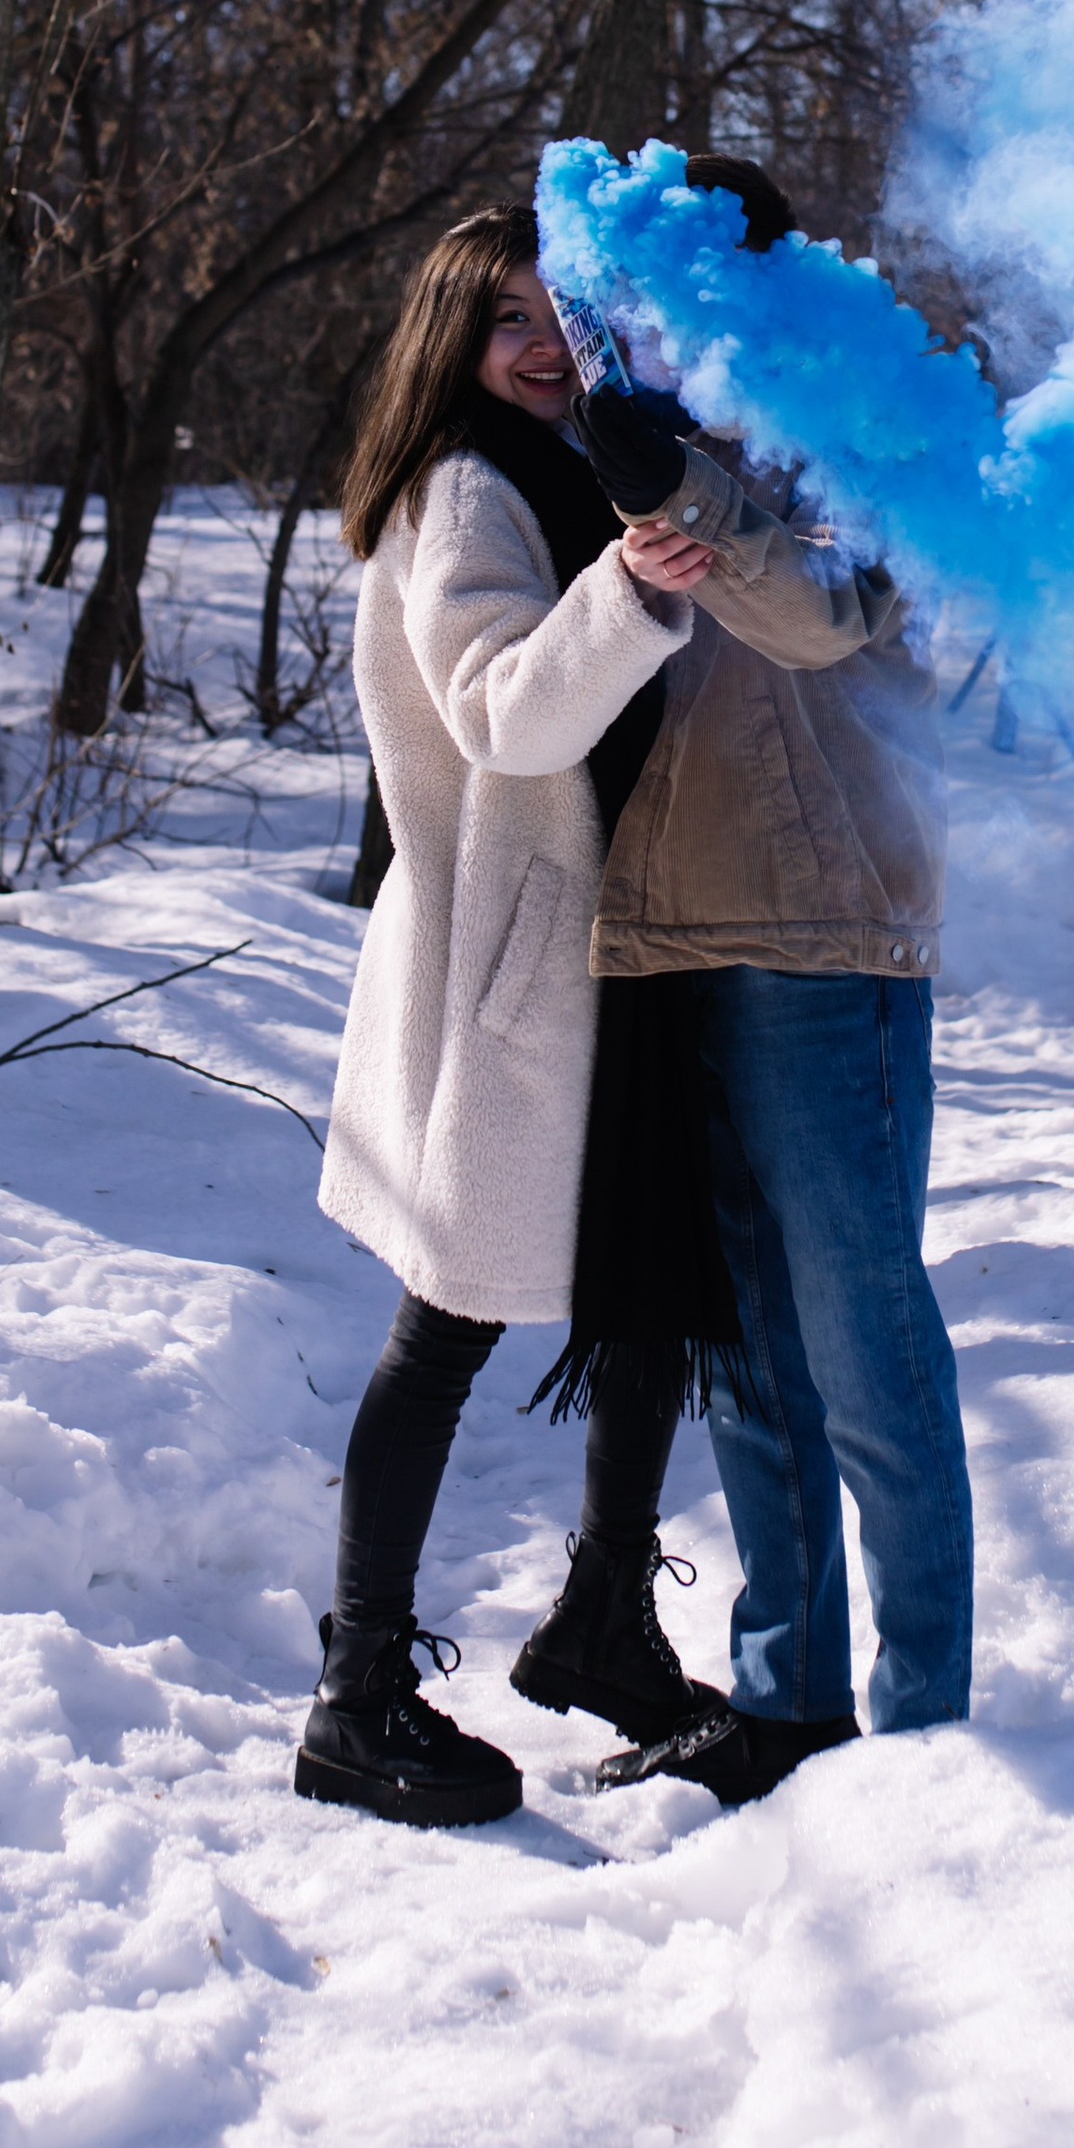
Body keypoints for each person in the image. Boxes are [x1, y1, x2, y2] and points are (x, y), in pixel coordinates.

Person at [297, 204, 734, 1828]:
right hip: (511, 968)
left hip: (605, 954)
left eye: (564, 314)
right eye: (506, 321)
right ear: (450, 347)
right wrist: (628, 586)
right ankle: (355, 1699)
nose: (544, 343)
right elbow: (504, 712)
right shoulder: (468, 483)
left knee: (647, 1297)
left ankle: (606, 1619)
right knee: (445, 1328)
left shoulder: (566, 461)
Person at [573, 154, 971, 1807]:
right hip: (668, 936)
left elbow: (821, 615)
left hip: (826, 938)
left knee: (866, 1346)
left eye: (691, 287)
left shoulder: (863, 428)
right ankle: (782, 1703)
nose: (662, 322)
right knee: (746, 1358)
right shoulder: (646, 430)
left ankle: (926, 1728)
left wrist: (677, 491)